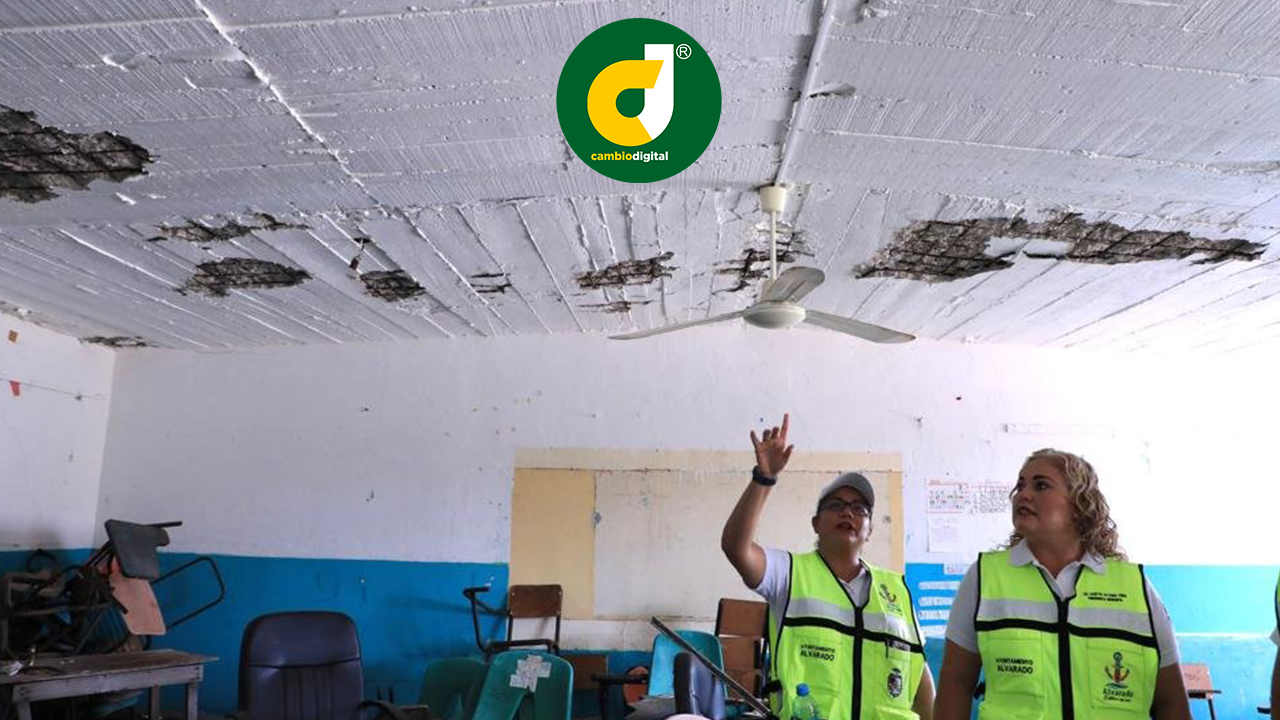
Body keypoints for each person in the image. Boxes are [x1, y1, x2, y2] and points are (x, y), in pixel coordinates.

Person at [933, 449, 1192, 720]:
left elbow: (1170, 701)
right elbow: (956, 683)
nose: (1023, 494)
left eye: (1041, 486)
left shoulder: (1134, 586)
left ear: (1079, 504)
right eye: (1020, 485)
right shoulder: (985, 578)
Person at [721, 413, 935, 720]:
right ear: (816, 524)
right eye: (836, 505)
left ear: (870, 530)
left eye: (859, 509)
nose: (847, 513)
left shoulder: (896, 590)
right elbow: (736, 548)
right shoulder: (789, 573)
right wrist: (763, 479)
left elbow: (920, 680)